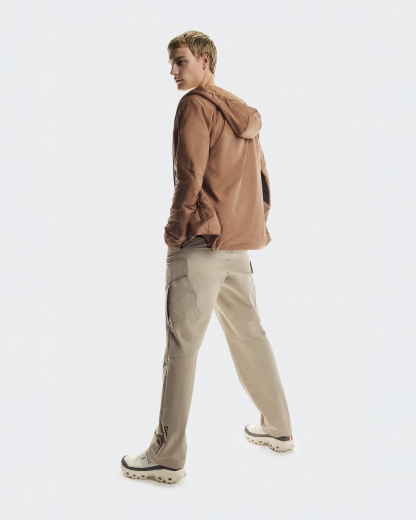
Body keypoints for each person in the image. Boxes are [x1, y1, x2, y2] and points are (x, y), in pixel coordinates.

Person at [121, 30, 294, 485]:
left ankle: (166, 455)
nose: (173, 71)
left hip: (199, 244)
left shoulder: (194, 105)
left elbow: (189, 175)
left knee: (181, 347)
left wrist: (175, 231)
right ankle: (278, 427)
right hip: (237, 245)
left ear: (205, 60)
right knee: (250, 335)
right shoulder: (243, 113)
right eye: (171, 63)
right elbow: (263, 182)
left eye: (180, 61)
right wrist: (251, 223)